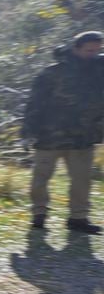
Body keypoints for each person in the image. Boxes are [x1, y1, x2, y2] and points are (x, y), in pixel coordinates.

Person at [23, 30, 103, 234]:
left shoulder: (99, 70)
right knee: (40, 178)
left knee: (82, 180)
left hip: (83, 137)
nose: (93, 54)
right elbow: (35, 101)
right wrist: (29, 129)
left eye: (97, 49)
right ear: (76, 48)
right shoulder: (53, 72)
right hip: (50, 135)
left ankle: (78, 218)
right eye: (89, 50)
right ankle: (39, 215)